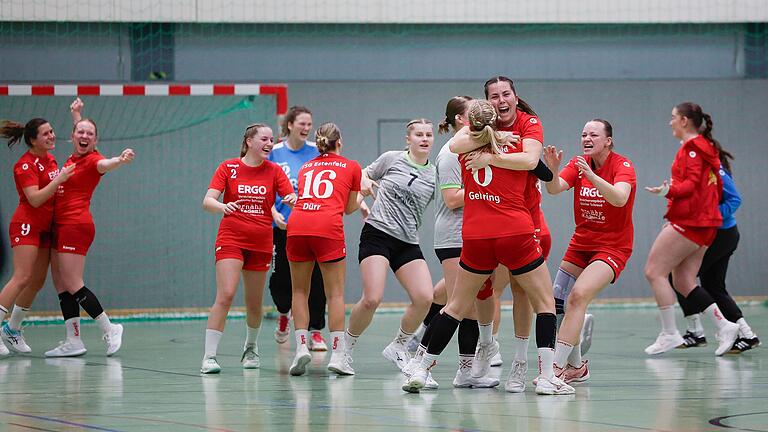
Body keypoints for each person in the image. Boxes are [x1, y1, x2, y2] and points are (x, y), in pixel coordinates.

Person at [402, 99, 574, 395]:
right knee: (545, 303)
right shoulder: (517, 147)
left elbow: (457, 142)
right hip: (514, 233)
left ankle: (421, 365)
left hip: (476, 236)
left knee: (455, 306)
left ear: (470, 123)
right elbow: (541, 172)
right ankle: (546, 376)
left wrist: (484, 138)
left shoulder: (461, 146)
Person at [408, 96, 499, 388]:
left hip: (474, 234)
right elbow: (451, 198)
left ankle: (466, 371)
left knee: (469, 306)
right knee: (456, 305)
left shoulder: (478, 149)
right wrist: (486, 188)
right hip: (452, 236)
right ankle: (418, 362)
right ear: (462, 120)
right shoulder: (450, 153)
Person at [542, 119, 636, 383]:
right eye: (583, 134)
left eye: (593, 134)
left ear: (607, 141)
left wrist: (592, 176)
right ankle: (577, 366)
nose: (586, 138)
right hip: (581, 243)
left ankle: (556, 369)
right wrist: (553, 170)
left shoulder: (622, 165)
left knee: (578, 297)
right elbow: (554, 189)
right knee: (556, 301)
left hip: (613, 247)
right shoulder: (577, 163)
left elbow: (620, 198)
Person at [644, 102, 740, 357]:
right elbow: (710, 188)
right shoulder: (705, 148)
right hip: (705, 223)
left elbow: (691, 185)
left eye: (673, 117)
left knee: (654, 272)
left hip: (693, 222)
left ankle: (670, 333)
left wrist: (667, 191)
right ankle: (725, 325)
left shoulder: (694, 149)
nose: (670, 122)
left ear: (685, 121)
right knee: (684, 281)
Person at [200, 123, 296, 373]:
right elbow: (208, 201)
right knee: (226, 294)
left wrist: (293, 200)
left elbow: (290, 197)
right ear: (249, 141)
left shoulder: (274, 171)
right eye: (264, 138)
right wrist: (223, 207)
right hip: (231, 238)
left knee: (254, 303)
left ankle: (250, 347)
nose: (269, 143)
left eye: (272, 139)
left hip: (261, 242)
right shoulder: (228, 167)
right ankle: (209, 356)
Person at [344, 119, 436, 375]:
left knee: (424, 298)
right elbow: (361, 174)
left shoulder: (434, 174)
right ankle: (345, 349)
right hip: (378, 234)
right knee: (372, 298)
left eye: (429, 134)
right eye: (419, 134)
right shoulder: (391, 159)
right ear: (409, 139)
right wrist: (362, 193)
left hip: (407, 241)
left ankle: (398, 346)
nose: (424, 138)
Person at [44, 99, 132, 358]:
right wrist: (77, 114)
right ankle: (73, 340)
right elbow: (80, 132)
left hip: (76, 226)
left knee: (73, 282)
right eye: (80, 132)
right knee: (61, 285)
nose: (84, 136)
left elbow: (106, 164)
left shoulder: (95, 160)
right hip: (58, 226)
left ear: (96, 141)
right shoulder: (75, 155)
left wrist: (120, 159)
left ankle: (110, 328)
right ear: (72, 137)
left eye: (90, 134)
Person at [286, 123, 362, 376]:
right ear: (339, 141)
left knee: (299, 290)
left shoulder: (307, 166)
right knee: (335, 293)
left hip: (297, 224)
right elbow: (349, 208)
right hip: (326, 226)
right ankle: (339, 355)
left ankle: (300, 349)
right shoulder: (352, 166)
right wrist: (364, 195)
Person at [0, 118, 73, 355]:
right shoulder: (25, 165)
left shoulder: (50, 159)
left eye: (52, 131)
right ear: (33, 140)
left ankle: (12, 328)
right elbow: (35, 199)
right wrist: (60, 179)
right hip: (26, 225)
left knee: (36, 282)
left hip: (45, 228)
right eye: (45, 134)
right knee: (21, 277)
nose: (51, 136)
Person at [674, 162, 759, 352]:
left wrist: (710, 216)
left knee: (680, 277)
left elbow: (735, 199)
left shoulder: (715, 169)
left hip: (721, 235)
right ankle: (748, 335)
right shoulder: (692, 169)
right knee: (713, 286)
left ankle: (696, 332)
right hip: (713, 234)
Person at [268, 106, 329, 351]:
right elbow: (265, 188)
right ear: (290, 124)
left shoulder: (317, 152)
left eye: (309, 124)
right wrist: (273, 213)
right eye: (302, 123)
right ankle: (284, 313)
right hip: (281, 227)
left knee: (316, 279)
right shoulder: (274, 153)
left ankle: (315, 331)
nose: (306, 128)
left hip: (311, 226)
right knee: (280, 279)